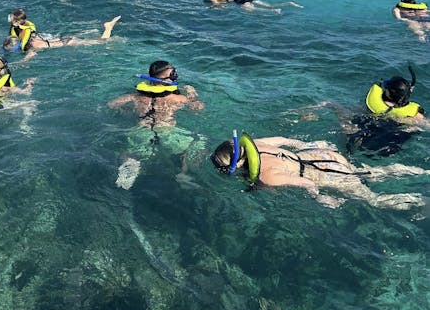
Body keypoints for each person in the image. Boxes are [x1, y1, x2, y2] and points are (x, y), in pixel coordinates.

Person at [211, 131, 429, 209]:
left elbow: (308, 183)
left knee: (374, 200)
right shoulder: (255, 144)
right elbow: (286, 140)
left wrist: (321, 199)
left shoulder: (266, 176)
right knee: (373, 172)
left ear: (235, 165)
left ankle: (420, 201)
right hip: (321, 155)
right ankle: (421, 172)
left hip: (321, 174)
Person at [107, 60, 205, 189]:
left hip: (141, 131)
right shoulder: (177, 99)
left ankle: (129, 167)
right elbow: (198, 108)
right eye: (173, 75)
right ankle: (182, 174)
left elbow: (111, 105)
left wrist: (126, 112)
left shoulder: (135, 96)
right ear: (165, 79)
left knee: (130, 153)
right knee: (196, 143)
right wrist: (192, 94)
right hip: (168, 132)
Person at [346, 65, 429, 156]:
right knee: (413, 128)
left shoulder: (372, 105)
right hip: (390, 148)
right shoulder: (414, 115)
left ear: (388, 92)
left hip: (364, 141)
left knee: (346, 120)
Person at [3, 14, 121, 59]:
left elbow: (28, 58)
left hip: (68, 42)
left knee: (103, 42)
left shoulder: (32, 47)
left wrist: (18, 64)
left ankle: (108, 27)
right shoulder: (29, 36)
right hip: (62, 38)